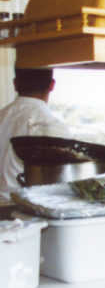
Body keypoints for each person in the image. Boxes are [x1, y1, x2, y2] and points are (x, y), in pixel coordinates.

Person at [0, 67, 69, 202]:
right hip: (22, 207)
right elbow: (61, 182)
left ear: (15, 84)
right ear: (52, 85)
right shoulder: (50, 124)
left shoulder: (2, 116)